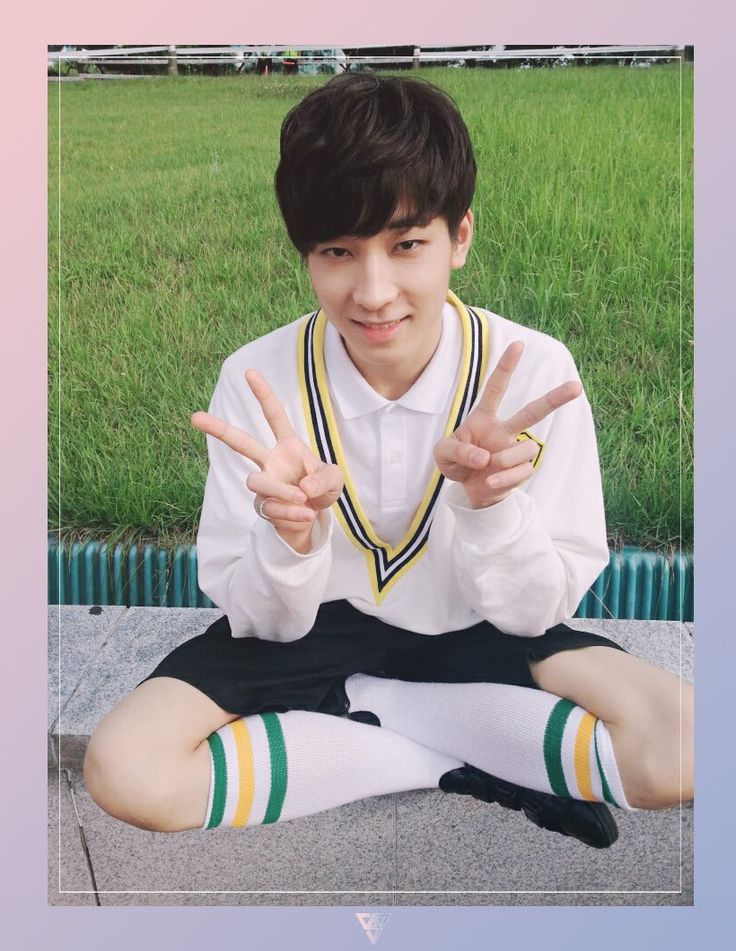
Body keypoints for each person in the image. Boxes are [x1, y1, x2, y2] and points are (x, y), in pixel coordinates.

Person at [83, 74, 692, 850]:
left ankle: (379, 710)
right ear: (305, 252)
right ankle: (464, 757)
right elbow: (260, 620)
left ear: (459, 237)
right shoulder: (258, 379)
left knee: (686, 748)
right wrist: (291, 538)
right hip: (312, 637)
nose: (373, 292)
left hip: (481, 625)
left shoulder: (531, 371)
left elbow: (537, 610)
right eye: (338, 251)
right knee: (125, 770)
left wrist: (491, 508)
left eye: (407, 244)